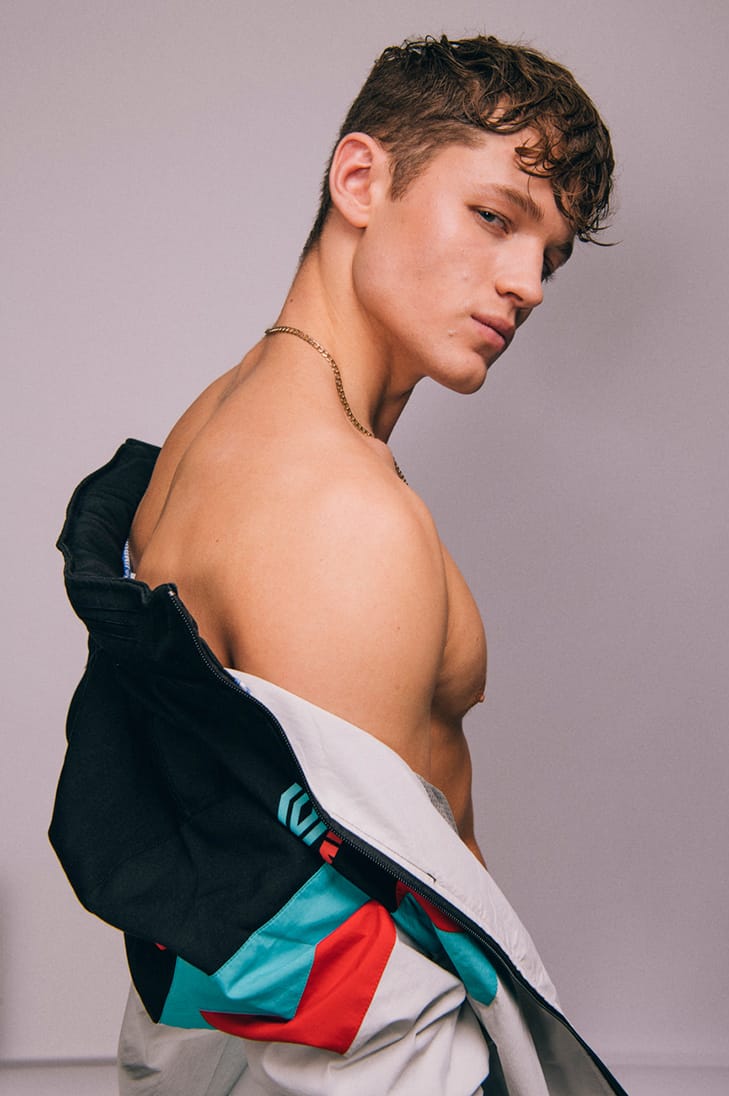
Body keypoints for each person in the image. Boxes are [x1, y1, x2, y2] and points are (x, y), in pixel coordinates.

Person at [52, 34, 623, 1095]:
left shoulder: (223, 420)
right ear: (360, 179)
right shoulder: (339, 512)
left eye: (547, 255)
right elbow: (360, 934)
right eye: (493, 216)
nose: (527, 285)